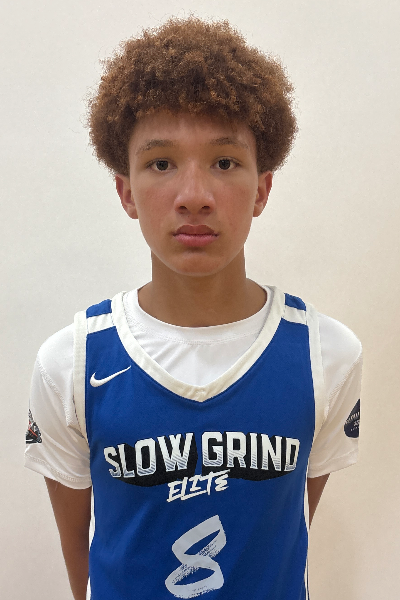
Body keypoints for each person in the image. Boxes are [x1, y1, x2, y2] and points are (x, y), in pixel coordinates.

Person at [24, 14, 362, 600]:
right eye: (161, 163)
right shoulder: (70, 363)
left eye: (224, 162)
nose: (194, 196)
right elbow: (80, 554)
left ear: (262, 189)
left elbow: (286, 527)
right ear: (126, 191)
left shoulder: (325, 354)